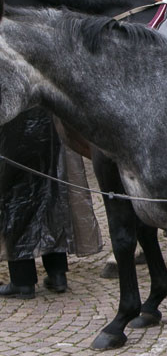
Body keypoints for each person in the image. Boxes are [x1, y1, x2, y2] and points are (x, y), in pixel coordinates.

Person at [1, 111, 102, 298]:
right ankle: (57, 274)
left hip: (12, 130)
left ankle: (22, 281)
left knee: (15, 199)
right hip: (48, 126)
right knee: (51, 194)